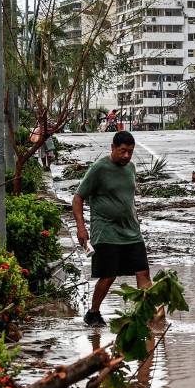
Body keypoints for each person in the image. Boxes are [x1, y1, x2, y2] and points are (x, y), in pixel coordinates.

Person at [72, 131, 151, 327]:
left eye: (130, 152)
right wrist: (81, 228)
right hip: (106, 232)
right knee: (108, 276)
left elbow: (128, 199)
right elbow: (78, 198)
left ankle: (147, 313)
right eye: (122, 151)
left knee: (143, 273)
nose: (126, 156)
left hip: (132, 232)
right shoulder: (99, 168)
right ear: (113, 148)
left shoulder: (131, 168)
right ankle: (93, 312)